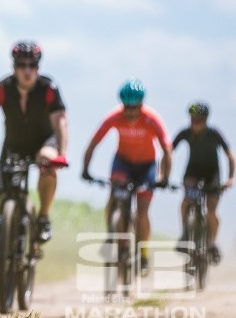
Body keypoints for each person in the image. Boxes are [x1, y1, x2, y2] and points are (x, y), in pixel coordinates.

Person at [0, 41, 68, 292]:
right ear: (14, 66)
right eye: (22, 65)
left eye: (32, 65)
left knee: (46, 159)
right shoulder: (2, 87)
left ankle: (42, 218)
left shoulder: (48, 88)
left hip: (44, 143)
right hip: (13, 146)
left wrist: (61, 153)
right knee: (5, 204)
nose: (27, 70)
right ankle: (4, 267)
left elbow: (61, 122)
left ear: (38, 67)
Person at [81, 79, 173, 276]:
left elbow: (166, 149)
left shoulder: (151, 118)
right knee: (114, 194)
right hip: (122, 162)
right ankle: (112, 233)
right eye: (127, 108)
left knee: (142, 211)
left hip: (147, 166)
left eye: (135, 108)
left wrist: (164, 176)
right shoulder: (114, 117)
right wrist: (85, 169)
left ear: (141, 105)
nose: (130, 112)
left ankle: (144, 254)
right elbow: (93, 142)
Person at [172, 101, 234, 265]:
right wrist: (162, 175)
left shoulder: (214, 134)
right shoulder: (185, 133)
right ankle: (185, 234)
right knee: (186, 201)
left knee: (211, 210)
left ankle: (212, 243)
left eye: (199, 120)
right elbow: (168, 152)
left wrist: (230, 178)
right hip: (192, 173)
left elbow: (230, 156)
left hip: (212, 175)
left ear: (206, 120)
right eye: (192, 120)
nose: (195, 124)